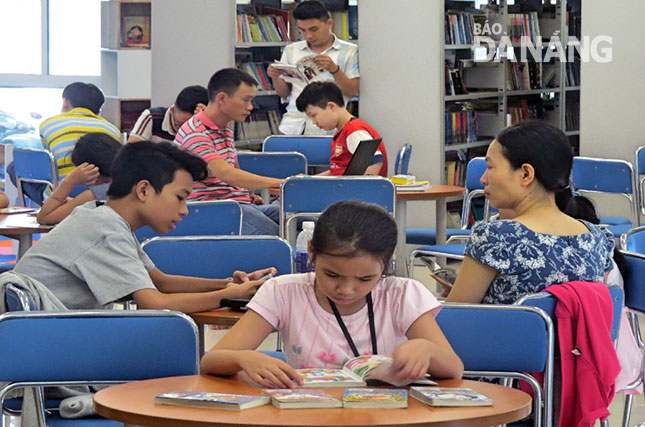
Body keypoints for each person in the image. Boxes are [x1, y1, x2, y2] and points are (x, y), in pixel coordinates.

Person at [201, 200, 464, 388]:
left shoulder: (402, 294)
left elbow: (454, 368)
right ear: (312, 251)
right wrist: (243, 357)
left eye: (365, 279)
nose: (346, 290)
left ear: (388, 261)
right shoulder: (283, 292)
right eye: (332, 275)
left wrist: (425, 349)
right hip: (312, 415)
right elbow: (211, 361)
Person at [12, 141, 274, 312]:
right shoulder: (104, 230)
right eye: (180, 197)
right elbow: (154, 302)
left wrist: (228, 285)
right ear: (144, 190)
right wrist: (229, 297)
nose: (184, 209)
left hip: (47, 341)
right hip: (45, 350)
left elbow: (160, 282)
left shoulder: (104, 217)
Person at [446, 120, 615, 305]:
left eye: (490, 167)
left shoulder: (495, 237)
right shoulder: (598, 239)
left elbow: (456, 317)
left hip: (500, 335)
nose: (483, 179)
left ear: (526, 174)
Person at [175, 68, 283, 235]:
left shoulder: (224, 126)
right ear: (222, 98)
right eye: (246, 100)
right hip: (214, 210)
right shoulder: (194, 133)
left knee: (302, 221)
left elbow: (233, 168)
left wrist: (244, 194)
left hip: (236, 205)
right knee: (278, 237)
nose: (250, 107)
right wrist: (280, 183)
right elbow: (225, 173)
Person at [267, 0, 359, 135]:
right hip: (293, 124)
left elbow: (352, 92)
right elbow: (285, 93)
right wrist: (275, 76)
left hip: (328, 127)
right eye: (302, 30)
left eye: (314, 29)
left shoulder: (349, 51)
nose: (309, 35)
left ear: (329, 24)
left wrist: (334, 69)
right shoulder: (291, 50)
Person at [39, 82, 121, 196]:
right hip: (100, 193)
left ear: (66, 103)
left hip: (62, 193)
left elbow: (46, 161)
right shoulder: (113, 130)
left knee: (15, 168)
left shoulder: (47, 124)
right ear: (99, 112)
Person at [296, 81, 388, 176]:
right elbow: (336, 172)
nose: (314, 122)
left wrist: (356, 188)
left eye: (314, 115)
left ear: (331, 106)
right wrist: (309, 179)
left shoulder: (355, 131)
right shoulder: (340, 132)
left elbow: (375, 163)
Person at [36, 132, 122, 225]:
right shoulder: (129, 184)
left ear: (89, 169)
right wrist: (74, 202)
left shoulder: (96, 194)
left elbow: (44, 217)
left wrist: (69, 181)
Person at [128, 85, 208, 143]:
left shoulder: (208, 127)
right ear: (172, 110)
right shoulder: (152, 117)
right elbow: (131, 151)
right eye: (179, 125)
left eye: (190, 126)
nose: (182, 131)